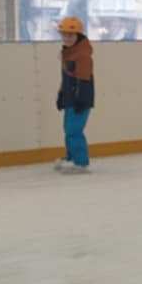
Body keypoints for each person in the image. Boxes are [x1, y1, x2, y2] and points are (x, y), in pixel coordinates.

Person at [55, 15, 95, 171]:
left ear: (78, 35)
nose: (67, 38)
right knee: (68, 130)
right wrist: (61, 94)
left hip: (79, 100)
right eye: (64, 35)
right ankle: (71, 157)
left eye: (70, 35)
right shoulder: (68, 53)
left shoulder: (82, 55)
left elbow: (84, 80)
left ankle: (81, 162)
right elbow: (65, 78)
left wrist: (81, 100)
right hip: (70, 98)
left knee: (74, 131)